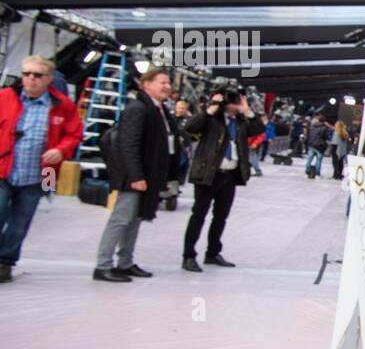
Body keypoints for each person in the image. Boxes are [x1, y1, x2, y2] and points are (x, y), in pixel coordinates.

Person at [0, 56, 83, 283]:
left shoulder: (62, 105)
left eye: (37, 75)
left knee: (21, 222)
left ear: (48, 79)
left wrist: (61, 150)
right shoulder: (5, 97)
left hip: (43, 175)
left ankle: (5, 263)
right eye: (27, 74)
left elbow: (75, 134)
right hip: (3, 169)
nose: (31, 79)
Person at [94, 67, 173, 282]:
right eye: (162, 82)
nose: (167, 86)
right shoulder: (138, 108)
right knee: (121, 219)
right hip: (135, 177)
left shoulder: (158, 109)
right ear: (147, 84)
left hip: (147, 175)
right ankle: (103, 265)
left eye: (168, 83)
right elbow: (128, 145)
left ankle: (125, 262)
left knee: (134, 220)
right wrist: (136, 176)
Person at [181, 87, 264, 272]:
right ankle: (188, 255)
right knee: (199, 215)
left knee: (221, 217)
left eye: (237, 100)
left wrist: (247, 110)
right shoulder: (211, 119)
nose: (234, 104)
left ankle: (212, 253)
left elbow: (259, 128)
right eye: (231, 101)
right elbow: (189, 127)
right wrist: (212, 107)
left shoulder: (242, 121)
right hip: (208, 174)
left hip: (230, 175)